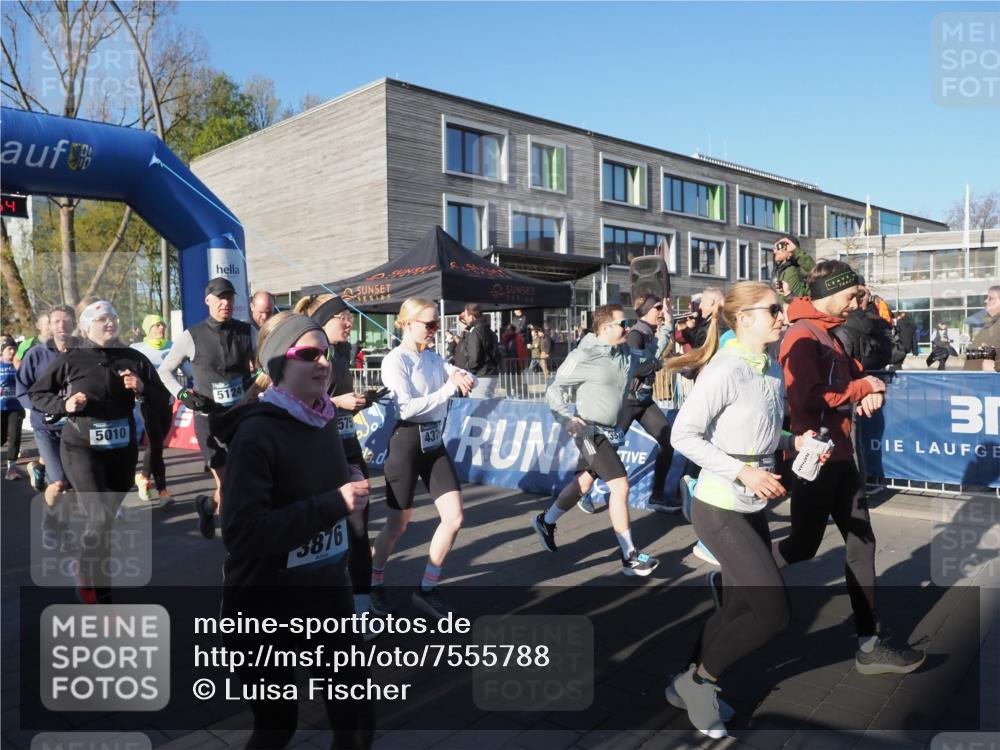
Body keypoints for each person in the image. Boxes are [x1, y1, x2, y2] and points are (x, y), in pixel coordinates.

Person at [666, 282, 820, 739]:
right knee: (773, 614)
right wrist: (743, 472)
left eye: (780, 309)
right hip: (718, 505)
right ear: (743, 318)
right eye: (773, 309)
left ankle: (685, 684)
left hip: (752, 504)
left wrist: (796, 442)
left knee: (736, 608)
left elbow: (763, 434)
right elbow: (684, 436)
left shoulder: (770, 368)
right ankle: (700, 683)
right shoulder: (726, 369)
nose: (782, 316)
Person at [214, 312, 374, 750]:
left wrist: (346, 478)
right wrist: (333, 502)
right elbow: (243, 534)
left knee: (357, 714)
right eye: (309, 353)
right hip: (264, 606)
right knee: (276, 727)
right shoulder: (256, 433)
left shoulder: (323, 418)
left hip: (326, 595)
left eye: (327, 353)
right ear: (277, 365)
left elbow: (314, 491)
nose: (323, 362)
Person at [777, 259, 925, 675]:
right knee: (802, 546)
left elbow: (851, 373)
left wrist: (862, 389)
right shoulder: (801, 336)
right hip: (813, 458)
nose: (855, 303)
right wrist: (862, 388)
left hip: (841, 456)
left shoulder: (828, 332)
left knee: (863, 544)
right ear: (827, 292)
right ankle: (737, 580)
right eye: (850, 295)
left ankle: (869, 643)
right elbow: (806, 399)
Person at [28, 300, 169, 604]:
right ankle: (99, 590)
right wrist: (63, 405)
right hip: (81, 448)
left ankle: (86, 563)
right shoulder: (72, 359)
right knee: (99, 517)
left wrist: (142, 387)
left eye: (114, 318)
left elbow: (162, 397)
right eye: (103, 319)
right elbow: (38, 393)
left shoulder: (133, 358)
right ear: (88, 325)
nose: (110, 323)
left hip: (121, 450)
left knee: (104, 518)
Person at [534, 304, 661, 576]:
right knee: (620, 485)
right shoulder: (585, 355)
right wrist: (566, 418)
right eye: (622, 324)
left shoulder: (625, 352)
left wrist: (668, 329)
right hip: (588, 429)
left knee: (584, 482)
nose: (628, 328)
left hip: (611, 429)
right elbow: (555, 389)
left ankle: (546, 520)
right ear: (605, 329)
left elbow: (650, 360)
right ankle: (629, 557)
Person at [373, 298, 475, 618]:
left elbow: (452, 369)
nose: (435, 330)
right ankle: (372, 583)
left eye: (437, 324)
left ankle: (427, 588)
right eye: (429, 324)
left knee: (455, 518)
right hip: (405, 443)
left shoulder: (432, 356)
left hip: (433, 444)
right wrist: (449, 389)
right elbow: (406, 407)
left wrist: (460, 374)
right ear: (407, 324)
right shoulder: (395, 360)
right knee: (396, 527)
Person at [295, 294, 388, 624]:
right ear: (322, 321)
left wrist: (359, 402)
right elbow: (297, 406)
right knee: (332, 537)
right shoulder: (308, 358)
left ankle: (360, 610)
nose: (349, 322)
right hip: (320, 455)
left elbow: (335, 403)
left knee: (359, 534)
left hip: (349, 450)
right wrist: (338, 403)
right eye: (342, 318)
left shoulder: (343, 352)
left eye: (349, 317)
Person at [157, 277, 255, 539]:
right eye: (220, 298)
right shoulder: (191, 336)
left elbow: (266, 363)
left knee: (236, 482)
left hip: (241, 417)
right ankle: (237, 544)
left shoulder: (247, 332)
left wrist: (258, 381)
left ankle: (207, 506)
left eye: (230, 298)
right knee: (226, 482)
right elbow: (165, 371)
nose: (226, 303)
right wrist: (183, 393)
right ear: (208, 300)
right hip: (208, 420)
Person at [580, 294, 677, 513]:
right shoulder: (635, 334)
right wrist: (657, 364)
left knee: (668, 441)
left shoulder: (650, 332)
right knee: (607, 449)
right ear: (645, 312)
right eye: (657, 308)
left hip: (642, 402)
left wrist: (667, 327)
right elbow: (636, 366)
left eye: (662, 308)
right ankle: (582, 489)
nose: (661, 311)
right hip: (626, 402)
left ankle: (657, 496)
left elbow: (653, 356)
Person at [16, 305, 78, 548]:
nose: (61, 326)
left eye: (66, 321)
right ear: (49, 326)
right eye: (56, 321)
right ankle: (49, 525)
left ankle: (64, 528)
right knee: (59, 482)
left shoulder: (83, 352)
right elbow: (22, 391)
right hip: (46, 427)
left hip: (75, 427)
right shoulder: (36, 354)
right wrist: (47, 408)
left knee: (72, 484)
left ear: (74, 324)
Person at [130, 314, 177, 503]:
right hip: (145, 402)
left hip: (166, 402)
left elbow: (186, 370)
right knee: (156, 444)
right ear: (147, 329)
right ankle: (163, 490)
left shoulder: (171, 347)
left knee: (157, 447)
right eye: (156, 326)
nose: (160, 328)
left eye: (162, 325)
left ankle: (143, 477)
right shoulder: (137, 350)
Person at [457, 303, 501, 398]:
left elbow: (474, 357)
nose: (465, 318)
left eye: (466, 315)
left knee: (479, 408)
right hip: (490, 373)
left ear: (471, 316)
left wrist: (468, 371)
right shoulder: (489, 331)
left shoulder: (475, 331)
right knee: (486, 406)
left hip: (480, 375)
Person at [1, 336, 24, 480]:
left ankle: (11, 470)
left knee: (15, 437)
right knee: (2, 438)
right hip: (0, 407)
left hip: (16, 407)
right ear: (2, 351)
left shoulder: (18, 366)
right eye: (9, 349)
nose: (12, 352)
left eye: (14, 349)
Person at [963, 285, 1000, 372]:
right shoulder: (989, 324)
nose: (986, 300)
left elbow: (992, 363)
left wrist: (996, 367)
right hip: (975, 381)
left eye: (991, 298)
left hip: (991, 383)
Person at [772, 235, 815, 303]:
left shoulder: (795, 270)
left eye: (778, 248)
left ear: (790, 252)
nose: (774, 252)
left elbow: (814, 270)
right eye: (774, 248)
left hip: (797, 311)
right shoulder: (780, 270)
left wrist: (795, 251)